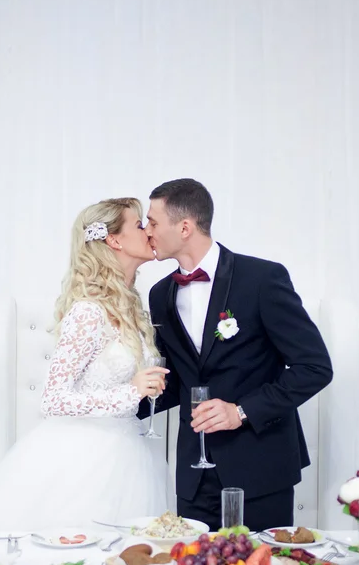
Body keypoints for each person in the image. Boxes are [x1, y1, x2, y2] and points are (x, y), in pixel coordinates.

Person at [139, 179, 333, 532]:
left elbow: (314, 367)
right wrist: (115, 403)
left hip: (260, 467)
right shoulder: (160, 294)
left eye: (152, 222)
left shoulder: (261, 278)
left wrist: (241, 411)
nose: (146, 231)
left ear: (184, 227)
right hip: (194, 475)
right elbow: (177, 379)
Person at [0, 198, 170, 531]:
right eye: (139, 225)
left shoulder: (133, 307)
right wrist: (130, 392)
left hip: (130, 452)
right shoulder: (88, 312)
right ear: (114, 239)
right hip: (85, 460)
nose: (148, 231)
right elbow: (53, 399)